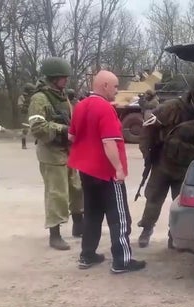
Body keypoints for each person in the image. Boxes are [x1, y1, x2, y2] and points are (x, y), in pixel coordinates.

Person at [67, 70, 146, 273]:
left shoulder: (80, 106)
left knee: (92, 213)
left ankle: (87, 255)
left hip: (86, 170)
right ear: (104, 86)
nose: (117, 90)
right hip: (106, 172)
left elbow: (71, 137)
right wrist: (118, 169)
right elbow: (108, 142)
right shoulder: (104, 108)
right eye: (116, 86)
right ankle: (122, 260)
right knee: (119, 217)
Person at [137, 74, 194, 248]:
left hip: (186, 169)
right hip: (163, 164)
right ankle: (146, 229)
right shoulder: (170, 108)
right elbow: (148, 129)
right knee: (153, 199)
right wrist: (147, 152)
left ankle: (174, 235)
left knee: (182, 206)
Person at [28, 57, 84, 250]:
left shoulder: (62, 96)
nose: (66, 80)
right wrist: (63, 130)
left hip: (68, 150)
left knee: (77, 188)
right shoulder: (40, 98)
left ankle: (79, 225)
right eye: (63, 77)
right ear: (53, 78)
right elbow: (37, 127)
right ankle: (55, 234)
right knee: (57, 193)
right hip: (51, 153)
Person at [18, 83, 36, 149]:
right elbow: (20, 106)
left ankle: (37, 142)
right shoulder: (22, 97)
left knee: (37, 127)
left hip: (31, 114)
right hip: (25, 114)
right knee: (25, 130)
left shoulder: (32, 96)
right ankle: (23, 144)